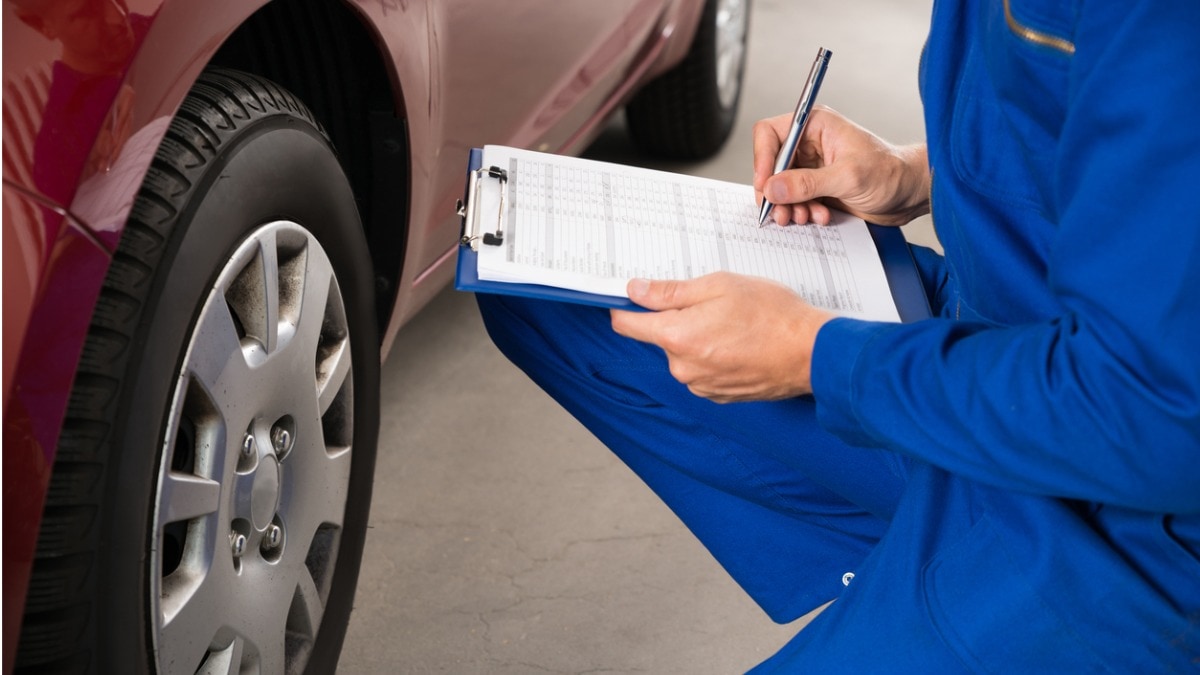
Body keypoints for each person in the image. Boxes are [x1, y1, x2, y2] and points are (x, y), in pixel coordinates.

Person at [477, 1, 1200, 670]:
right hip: (984, 346)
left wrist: (814, 355)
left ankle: (957, 587)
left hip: (1119, 525)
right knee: (548, 298)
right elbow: (1095, 148)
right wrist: (919, 174)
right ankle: (911, 563)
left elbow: (1149, 410)